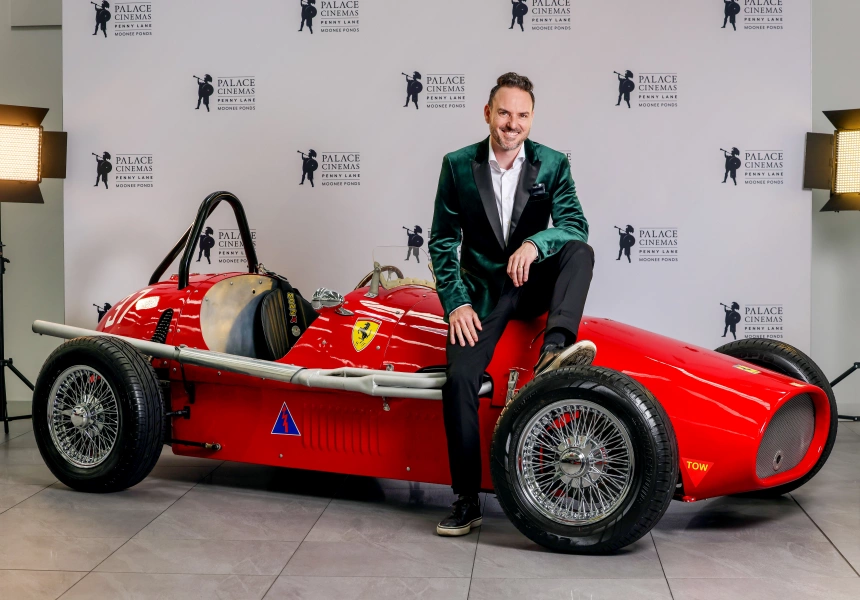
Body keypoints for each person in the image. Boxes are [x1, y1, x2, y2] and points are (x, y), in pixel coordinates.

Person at [429, 72, 596, 537]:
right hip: (482, 292)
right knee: (460, 380)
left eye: (522, 115)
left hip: (532, 280)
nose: (512, 123)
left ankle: (555, 349)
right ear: (488, 114)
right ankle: (465, 500)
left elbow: (575, 225)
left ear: (532, 118)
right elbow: (443, 241)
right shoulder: (458, 165)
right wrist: (456, 304)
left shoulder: (553, 163)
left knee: (579, 252)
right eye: (504, 113)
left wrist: (536, 244)